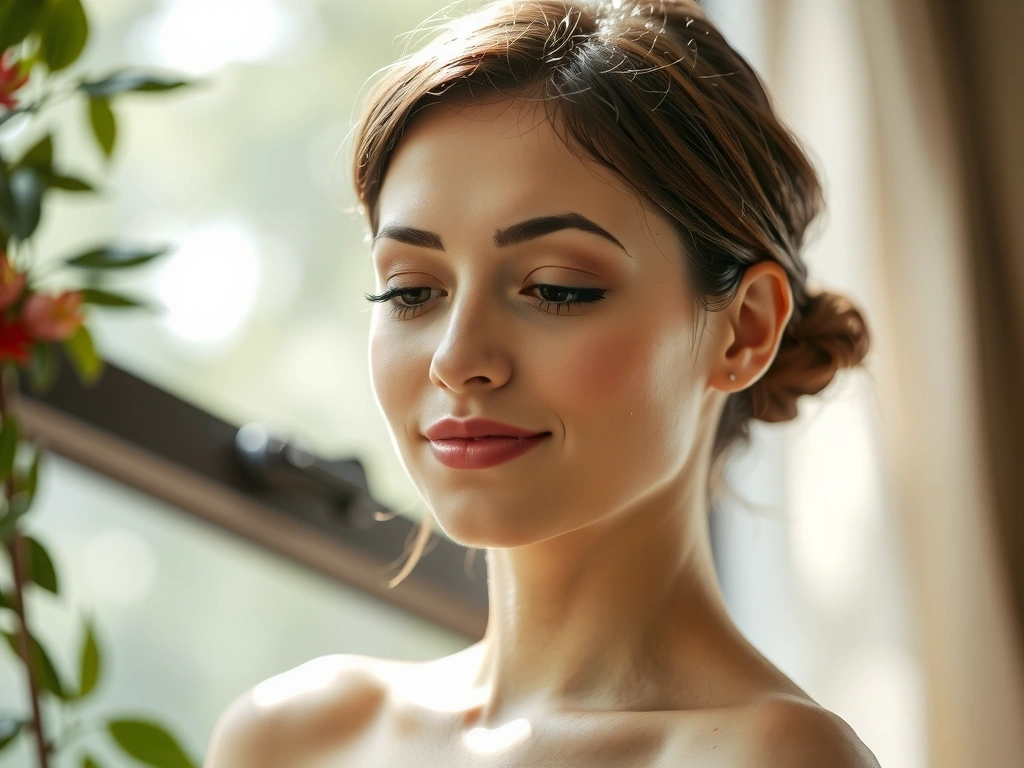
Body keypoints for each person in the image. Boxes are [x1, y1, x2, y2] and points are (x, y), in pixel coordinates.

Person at [206, 0, 879, 765]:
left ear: (745, 329)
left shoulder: (774, 756)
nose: (457, 360)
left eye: (557, 287)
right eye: (410, 291)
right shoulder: (289, 736)